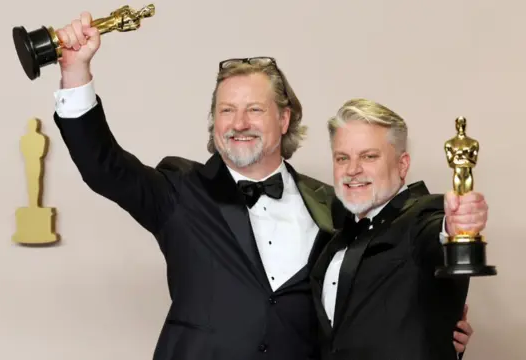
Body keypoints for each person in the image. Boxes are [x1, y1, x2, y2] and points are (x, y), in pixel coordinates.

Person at [50, 11, 474, 360]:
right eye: (226, 110)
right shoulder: (179, 191)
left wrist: (435, 326)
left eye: (254, 109)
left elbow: (376, 291)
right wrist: (76, 71)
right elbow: (103, 166)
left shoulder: (335, 205)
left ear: (284, 119)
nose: (238, 124)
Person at [311, 98, 487, 359]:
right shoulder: (333, 237)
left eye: (369, 156)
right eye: (342, 158)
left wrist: (455, 228)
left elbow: (435, 236)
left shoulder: (423, 215)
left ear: (402, 165)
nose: (352, 170)